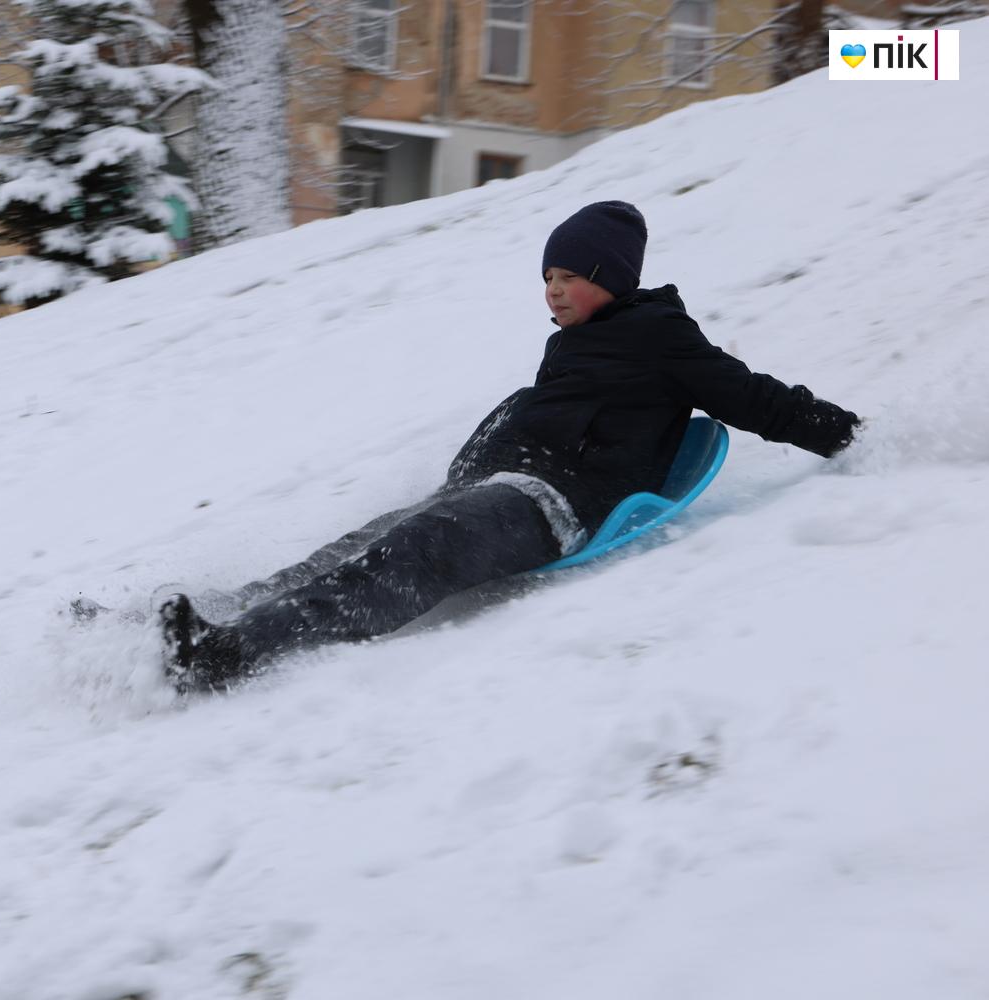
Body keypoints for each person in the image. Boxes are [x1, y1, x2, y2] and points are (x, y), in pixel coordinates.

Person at [159, 200, 861, 693]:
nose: (553, 292)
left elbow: (756, 398)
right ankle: (222, 608)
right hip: (502, 488)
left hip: (563, 508)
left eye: (568, 277)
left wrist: (851, 436)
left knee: (419, 547)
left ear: (610, 277)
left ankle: (230, 654)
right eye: (548, 278)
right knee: (369, 538)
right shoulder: (577, 343)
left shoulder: (665, 338)